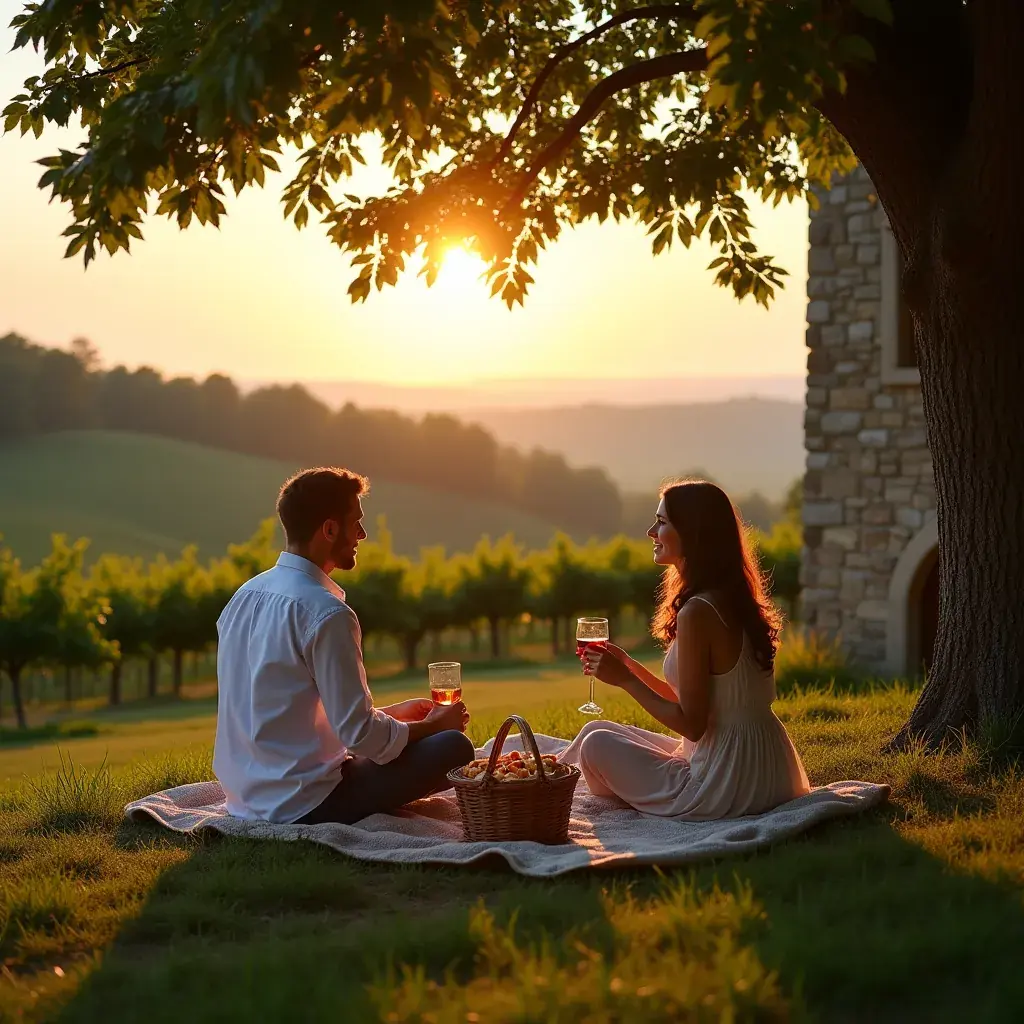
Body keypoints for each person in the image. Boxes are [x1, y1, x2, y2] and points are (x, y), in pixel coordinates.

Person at [213, 467, 475, 825]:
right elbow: (362, 737)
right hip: (303, 804)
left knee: (405, 742)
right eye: (357, 524)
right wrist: (435, 725)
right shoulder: (326, 613)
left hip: (245, 798)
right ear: (330, 529)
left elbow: (282, 712)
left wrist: (394, 714)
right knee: (453, 747)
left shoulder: (243, 597)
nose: (363, 535)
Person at [560, 479, 810, 818]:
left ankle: (560, 784)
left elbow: (691, 724)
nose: (651, 531)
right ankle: (554, 774)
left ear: (693, 534)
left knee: (594, 747)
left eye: (661, 522)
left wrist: (626, 682)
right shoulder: (729, 597)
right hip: (763, 764)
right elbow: (696, 700)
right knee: (595, 729)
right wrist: (630, 666)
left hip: (725, 779)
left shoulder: (698, 612)